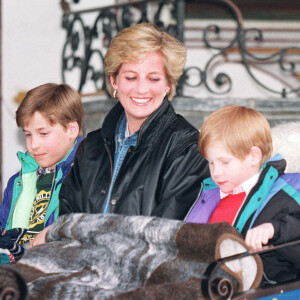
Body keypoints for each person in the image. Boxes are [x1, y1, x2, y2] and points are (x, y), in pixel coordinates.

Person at [31, 23, 209, 247]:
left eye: (153, 79)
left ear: (168, 84)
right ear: (114, 81)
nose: (141, 89)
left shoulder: (187, 148)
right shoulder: (91, 147)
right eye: (131, 77)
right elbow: (67, 221)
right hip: (80, 267)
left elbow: (163, 236)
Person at [185, 105, 300, 286]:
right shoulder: (207, 194)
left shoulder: (289, 190)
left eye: (224, 162)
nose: (216, 172)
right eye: (211, 163)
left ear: (253, 156)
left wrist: (275, 229)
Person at [0, 83, 84, 262]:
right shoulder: (18, 181)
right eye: (28, 134)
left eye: (43, 133)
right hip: (14, 268)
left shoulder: (85, 175)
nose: (33, 145)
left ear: (71, 130)